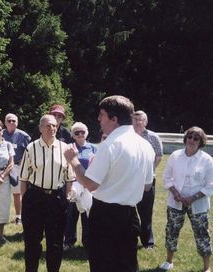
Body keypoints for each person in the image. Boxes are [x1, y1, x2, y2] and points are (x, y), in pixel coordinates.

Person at [64, 95, 155, 272]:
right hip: (130, 215)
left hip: (105, 216)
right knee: (127, 265)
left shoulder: (111, 144)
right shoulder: (145, 145)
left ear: (114, 119)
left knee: (102, 265)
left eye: (102, 115)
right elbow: (147, 186)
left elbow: (90, 184)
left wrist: (73, 161)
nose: (99, 119)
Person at [20, 114, 75, 272]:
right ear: (40, 128)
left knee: (55, 242)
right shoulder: (31, 148)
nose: (52, 128)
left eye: (54, 126)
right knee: (32, 241)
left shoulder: (65, 148)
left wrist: (68, 195)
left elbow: (69, 177)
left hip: (56, 199)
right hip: (35, 198)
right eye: (48, 125)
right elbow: (23, 178)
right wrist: (25, 200)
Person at [159, 127, 213, 272]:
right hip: (176, 201)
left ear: (201, 142)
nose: (192, 140)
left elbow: (210, 185)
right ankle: (169, 261)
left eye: (196, 138)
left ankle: (207, 267)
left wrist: (194, 197)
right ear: (185, 138)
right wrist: (175, 192)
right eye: (189, 137)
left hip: (198, 203)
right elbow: (166, 177)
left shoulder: (207, 160)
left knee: (202, 234)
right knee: (171, 231)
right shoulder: (175, 156)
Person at [63, 122, 97, 252]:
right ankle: (69, 241)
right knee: (71, 214)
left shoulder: (93, 148)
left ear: (86, 133)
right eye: (77, 132)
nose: (80, 135)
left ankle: (87, 242)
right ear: (73, 135)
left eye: (82, 132)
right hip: (73, 184)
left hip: (88, 185)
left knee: (87, 214)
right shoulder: (70, 148)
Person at [133, 110, 163, 249]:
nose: (138, 122)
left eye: (141, 120)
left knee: (146, 213)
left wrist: (148, 173)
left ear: (146, 122)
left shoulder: (153, 137)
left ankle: (148, 242)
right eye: (135, 119)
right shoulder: (128, 136)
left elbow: (158, 157)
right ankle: (130, 239)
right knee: (128, 212)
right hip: (129, 180)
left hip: (148, 181)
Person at [2, 113, 31, 224]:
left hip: (18, 167)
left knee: (17, 193)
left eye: (14, 121)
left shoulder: (23, 136)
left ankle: (19, 216)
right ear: (5, 122)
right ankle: (1, 217)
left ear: (17, 123)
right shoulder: (1, 133)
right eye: (9, 120)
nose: (11, 123)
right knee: (3, 194)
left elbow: (30, 151)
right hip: (2, 168)